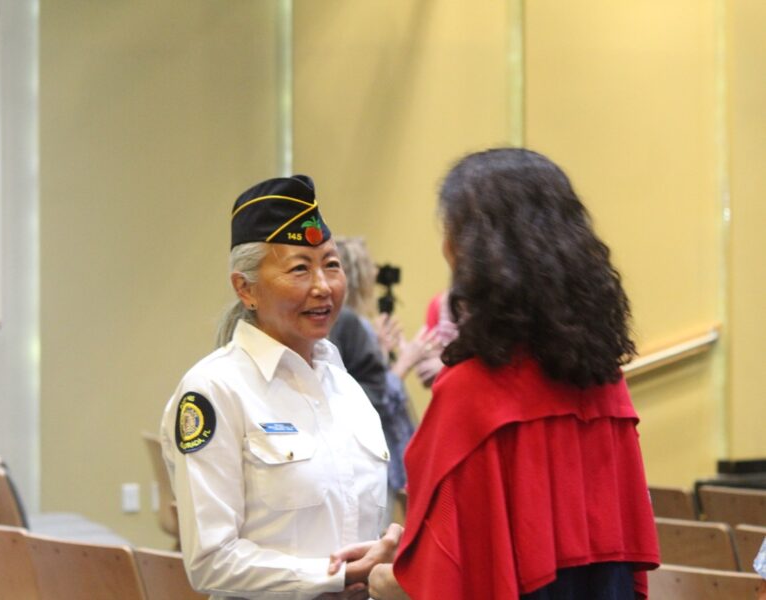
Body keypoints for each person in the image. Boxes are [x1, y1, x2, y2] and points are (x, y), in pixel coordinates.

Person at [333, 148, 660, 599]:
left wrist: (377, 576)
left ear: (469, 252)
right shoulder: (607, 386)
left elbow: (440, 585)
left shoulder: (471, 396)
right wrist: (404, 551)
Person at [160, 175, 391, 599]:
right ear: (245, 288)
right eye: (300, 268)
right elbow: (210, 559)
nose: (323, 286)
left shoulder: (345, 387)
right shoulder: (215, 390)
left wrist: (391, 546)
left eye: (331, 264)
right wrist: (334, 576)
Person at [329, 237, 436, 500]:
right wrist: (404, 362)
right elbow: (371, 396)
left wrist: (379, 351)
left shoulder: (344, 324)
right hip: (378, 455)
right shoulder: (351, 323)